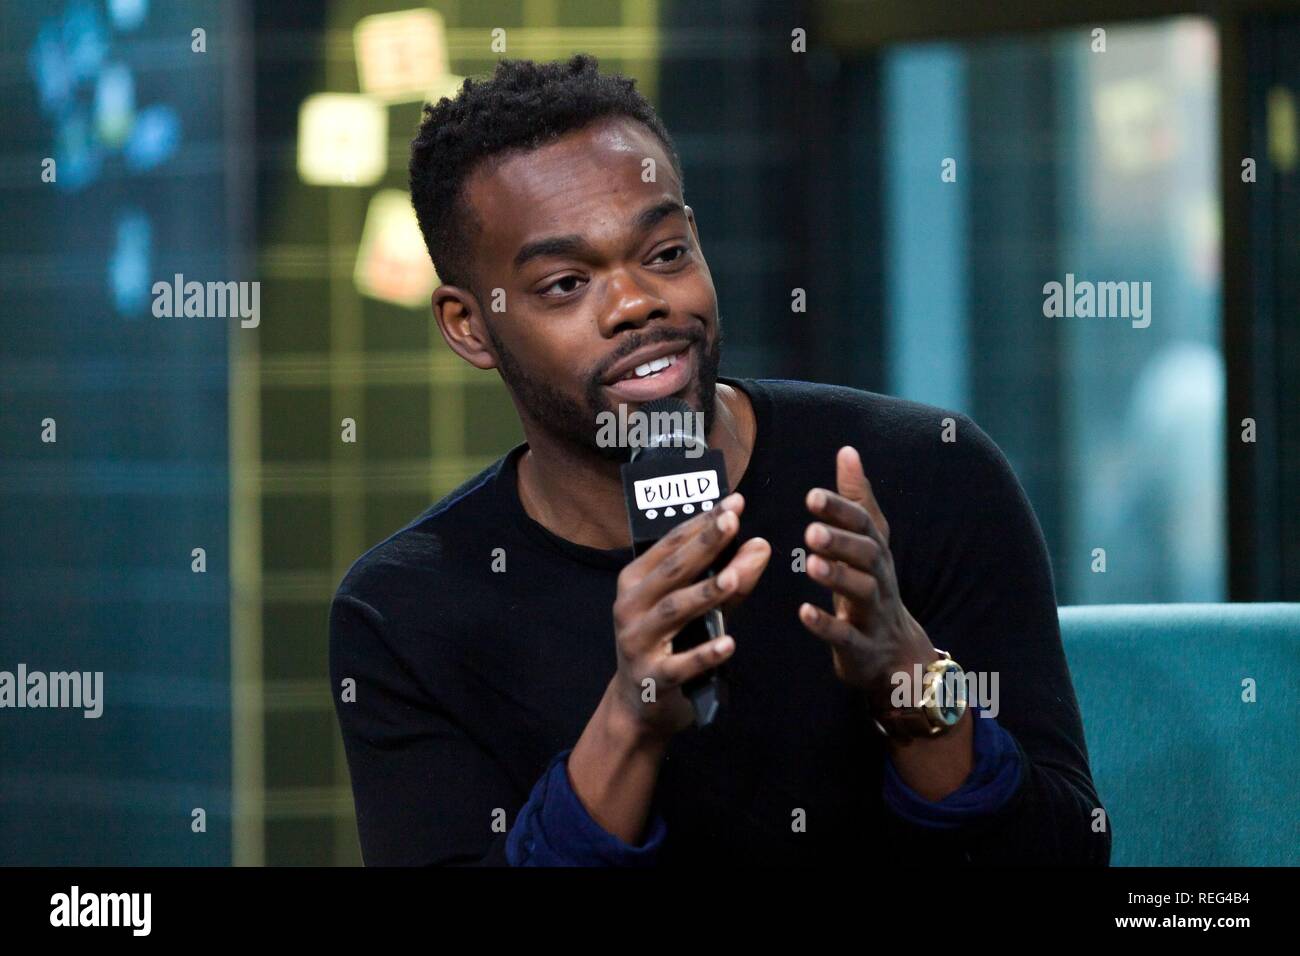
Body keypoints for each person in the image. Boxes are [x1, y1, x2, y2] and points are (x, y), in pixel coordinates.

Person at [328, 54, 1110, 866]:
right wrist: (629, 720)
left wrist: (907, 682)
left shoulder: (925, 475)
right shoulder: (407, 610)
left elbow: (1068, 857)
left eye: (664, 253)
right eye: (564, 283)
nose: (637, 303)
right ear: (469, 326)